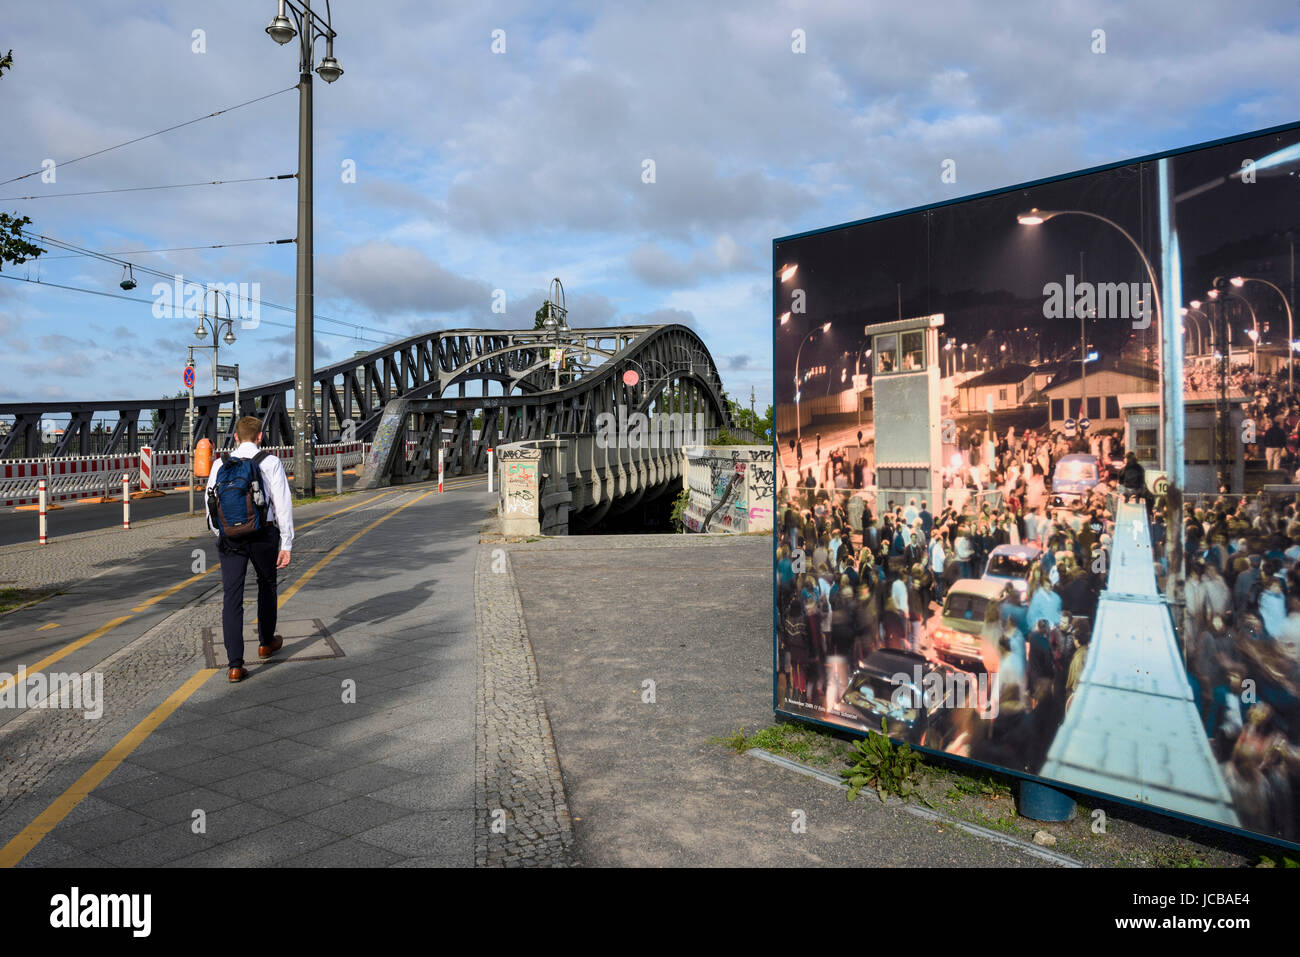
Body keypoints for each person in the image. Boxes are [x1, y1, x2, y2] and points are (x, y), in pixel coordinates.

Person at [205, 416, 295, 683]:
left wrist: (221, 532)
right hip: (263, 534)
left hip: (230, 538)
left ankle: (234, 665)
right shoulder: (270, 462)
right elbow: (282, 504)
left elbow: (210, 503)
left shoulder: (220, 464)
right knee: (267, 585)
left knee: (232, 597)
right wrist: (286, 543)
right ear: (260, 436)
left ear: (235, 437)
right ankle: (266, 642)